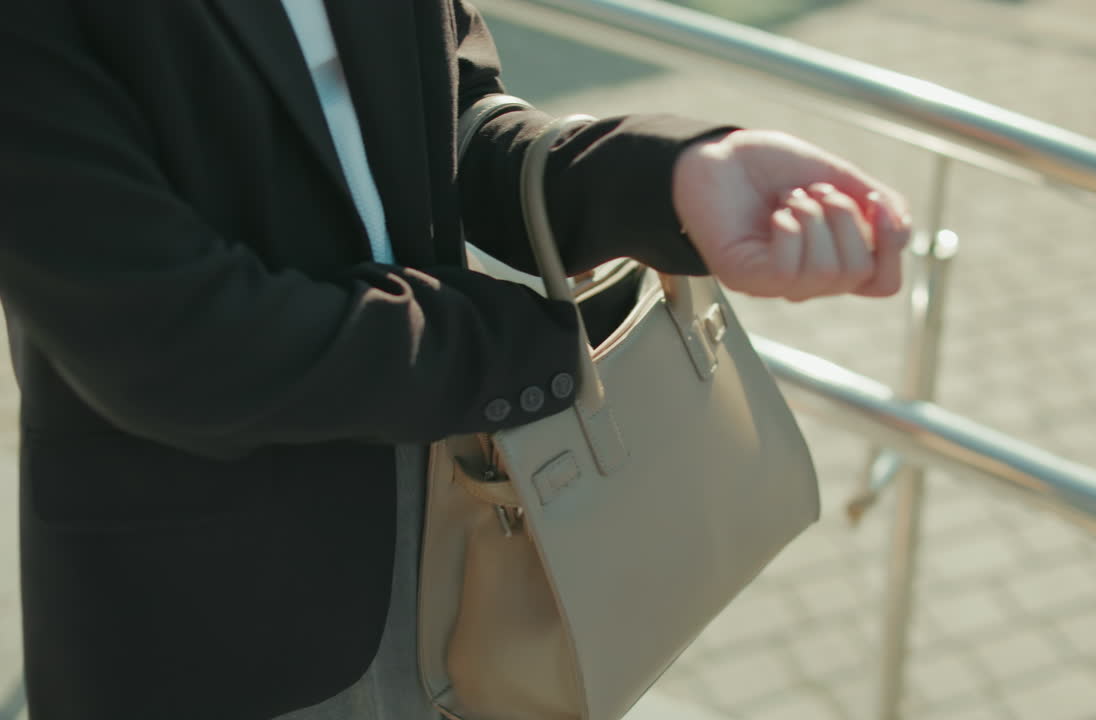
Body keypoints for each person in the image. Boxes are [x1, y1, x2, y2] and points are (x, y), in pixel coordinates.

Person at [0, 1, 911, 718]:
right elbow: (178, 342)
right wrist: (532, 353)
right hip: (207, 619)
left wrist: (665, 178)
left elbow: (452, 115)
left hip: (455, 553)